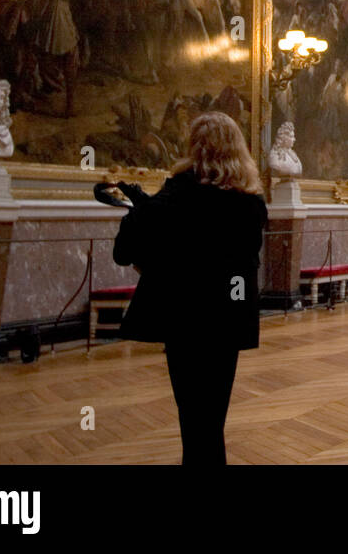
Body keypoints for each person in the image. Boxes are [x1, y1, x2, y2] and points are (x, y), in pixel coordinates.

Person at [111, 111, 266, 465]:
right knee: (212, 417)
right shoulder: (250, 203)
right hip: (228, 319)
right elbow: (243, 263)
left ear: (194, 147)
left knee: (193, 416)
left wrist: (140, 208)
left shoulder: (176, 194)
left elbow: (125, 253)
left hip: (183, 320)